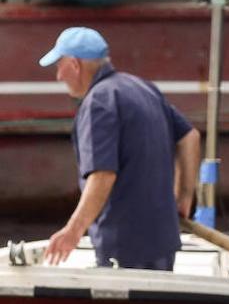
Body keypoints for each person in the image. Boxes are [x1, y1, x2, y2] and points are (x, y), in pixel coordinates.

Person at [39, 26, 201, 269]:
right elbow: (190, 136)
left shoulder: (97, 103)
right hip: (162, 238)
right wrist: (184, 196)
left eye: (58, 66)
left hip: (124, 246)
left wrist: (73, 231)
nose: (58, 76)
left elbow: (102, 175)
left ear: (74, 64)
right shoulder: (142, 88)